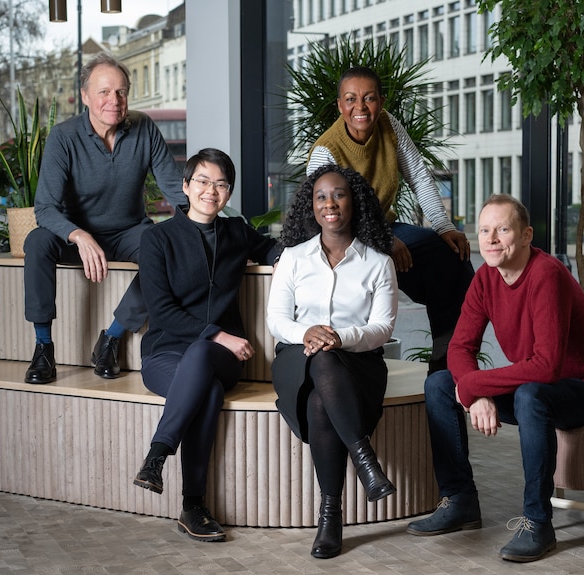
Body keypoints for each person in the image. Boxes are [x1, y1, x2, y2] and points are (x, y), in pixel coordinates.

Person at [406, 194, 584, 563]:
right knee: (439, 383)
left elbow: (547, 366)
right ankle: (460, 500)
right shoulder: (486, 278)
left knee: (530, 395)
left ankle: (538, 522)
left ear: (525, 236)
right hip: (538, 388)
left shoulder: (546, 274)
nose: (491, 239)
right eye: (485, 230)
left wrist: (472, 387)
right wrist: (477, 393)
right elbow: (459, 349)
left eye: (502, 229)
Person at [132, 148, 278, 542]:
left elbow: (273, 250)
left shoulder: (236, 232)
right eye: (202, 181)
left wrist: (289, 262)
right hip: (165, 354)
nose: (210, 191)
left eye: (220, 184)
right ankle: (193, 505)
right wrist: (220, 333)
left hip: (221, 358)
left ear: (228, 193)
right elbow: (161, 312)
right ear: (185, 186)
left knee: (203, 359)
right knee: (207, 391)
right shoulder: (157, 239)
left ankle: (157, 456)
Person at [23, 52, 188, 385]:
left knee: (167, 249)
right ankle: (43, 347)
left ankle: (111, 338)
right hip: (77, 235)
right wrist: (79, 236)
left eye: (121, 92)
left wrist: (203, 227)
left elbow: (175, 189)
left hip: (129, 232)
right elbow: (45, 208)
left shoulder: (144, 128)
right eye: (103, 92)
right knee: (37, 241)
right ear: (85, 96)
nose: (114, 100)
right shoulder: (63, 137)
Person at [267, 165, 398, 559]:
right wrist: (306, 333)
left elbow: (383, 327)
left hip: (358, 364)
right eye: (321, 196)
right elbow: (276, 319)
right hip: (296, 358)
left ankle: (330, 515)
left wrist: (341, 338)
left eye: (338, 194)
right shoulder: (292, 258)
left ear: (353, 202)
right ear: (312, 204)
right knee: (321, 361)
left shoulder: (377, 261)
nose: (330, 203)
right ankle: (364, 460)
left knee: (323, 390)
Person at [307, 66, 474, 373]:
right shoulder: (325, 151)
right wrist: (381, 239)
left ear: (381, 101)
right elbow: (326, 217)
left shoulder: (389, 125)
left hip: (385, 226)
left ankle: (448, 366)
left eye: (369, 98)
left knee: (452, 256)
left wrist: (445, 227)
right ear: (340, 105)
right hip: (344, 235)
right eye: (351, 99)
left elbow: (420, 178)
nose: (360, 107)